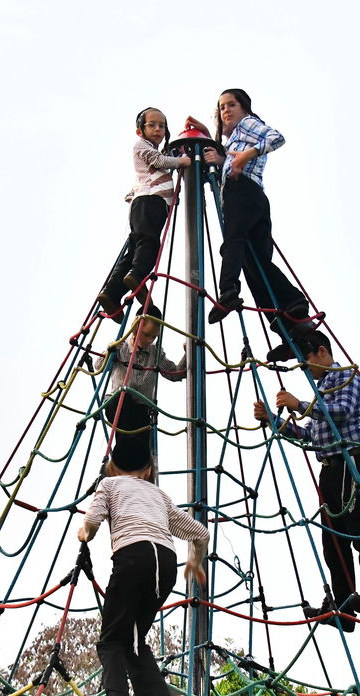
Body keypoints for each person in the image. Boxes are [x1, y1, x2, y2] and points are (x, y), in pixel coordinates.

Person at [252, 331, 360, 629]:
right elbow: (310, 436)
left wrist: (299, 404)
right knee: (332, 540)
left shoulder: (345, 378)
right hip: (329, 468)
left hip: (352, 462)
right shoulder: (321, 391)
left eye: (307, 362)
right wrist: (271, 420)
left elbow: (340, 414)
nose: (306, 369)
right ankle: (342, 607)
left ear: (323, 352)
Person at [76, 453, 208, 696]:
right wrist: (194, 561)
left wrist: (84, 533)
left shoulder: (110, 485)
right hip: (167, 563)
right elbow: (200, 533)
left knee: (110, 640)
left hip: (133, 556)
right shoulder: (159, 494)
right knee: (133, 639)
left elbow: (92, 521)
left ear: (111, 469)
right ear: (148, 471)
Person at [184, 90, 310, 364]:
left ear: (244, 108)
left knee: (234, 244)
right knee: (257, 266)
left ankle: (228, 292)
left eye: (231, 105)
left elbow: (276, 137)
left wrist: (244, 157)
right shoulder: (233, 143)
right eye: (221, 107)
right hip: (253, 199)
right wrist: (215, 141)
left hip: (243, 195)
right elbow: (224, 153)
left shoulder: (248, 124)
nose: (226, 111)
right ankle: (292, 322)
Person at [97, 109, 191, 319]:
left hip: (142, 202)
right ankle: (138, 275)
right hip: (152, 201)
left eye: (162, 125)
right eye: (152, 125)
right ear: (140, 130)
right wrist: (181, 162)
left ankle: (111, 294)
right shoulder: (142, 146)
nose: (158, 129)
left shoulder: (154, 151)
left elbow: (153, 167)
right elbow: (160, 162)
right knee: (150, 244)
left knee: (134, 248)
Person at [100, 314, 185, 474]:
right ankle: (117, 470)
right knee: (124, 399)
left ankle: (138, 477)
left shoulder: (155, 353)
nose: (150, 340)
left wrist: (189, 354)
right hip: (118, 405)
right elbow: (100, 366)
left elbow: (174, 373)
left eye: (154, 336)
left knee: (142, 453)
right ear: (135, 329)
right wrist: (111, 351)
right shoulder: (122, 347)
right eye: (146, 334)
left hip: (141, 411)